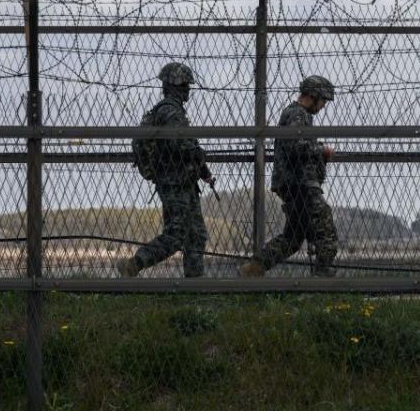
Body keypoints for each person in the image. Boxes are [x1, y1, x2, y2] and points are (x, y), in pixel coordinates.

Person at [117, 62, 215, 277]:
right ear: (176, 86)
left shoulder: (172, 111)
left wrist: (202, 170)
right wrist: (197, 153)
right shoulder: (170, 111)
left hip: (183, 182)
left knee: (196, 235)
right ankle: (135, 263)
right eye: (185, 85)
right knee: (176, 235)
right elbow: (178, 144)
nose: (188, 89)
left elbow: (184, 144)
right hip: (175, 182)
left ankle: (195, 284)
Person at [239, 75, 338, 277]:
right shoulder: (297, 114)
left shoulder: (296, 114)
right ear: (313, 96)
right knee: (325, 229)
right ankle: (323, 280)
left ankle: (252, 270)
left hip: (294, 184)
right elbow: (295, 146)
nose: (323, 106)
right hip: (300, 185)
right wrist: (321, 151)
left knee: (293, 238)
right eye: (323, 101)